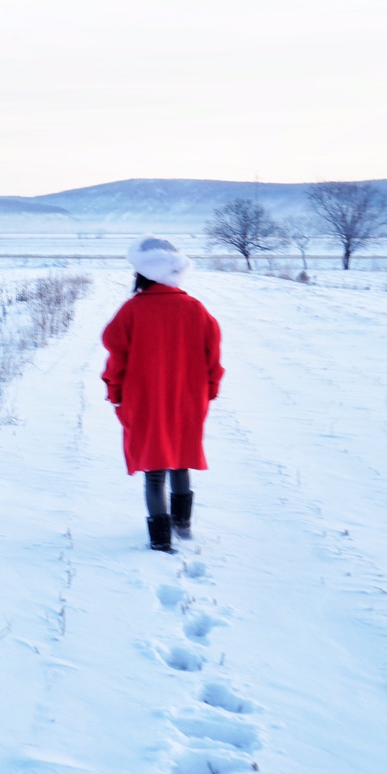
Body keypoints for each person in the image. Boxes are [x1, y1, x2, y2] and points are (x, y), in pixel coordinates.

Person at [101, 235, 225, 552]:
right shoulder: (196, 309)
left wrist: (115, 392)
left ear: (142, 273)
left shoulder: (131, 311)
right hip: (188, 400)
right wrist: (207, 392)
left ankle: (160, 540)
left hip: (145, 402)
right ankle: (183, 526)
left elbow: (116, 358)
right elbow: (214, 359)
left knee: (154, 469)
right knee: (180, 460)